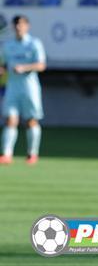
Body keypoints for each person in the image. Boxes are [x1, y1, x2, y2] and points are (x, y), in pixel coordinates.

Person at [0, 16, 46, 165]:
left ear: (27, 26)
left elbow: (41, 65)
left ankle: (32, 154)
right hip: (12, 87)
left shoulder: (34, 43)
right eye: (16, 25)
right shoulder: (8, 45)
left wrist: (24, 68)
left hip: (29, 87)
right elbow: (4, 65)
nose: (18, 27)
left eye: (21, 24)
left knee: (31, 120)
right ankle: (7, 154)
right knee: (10, 119)